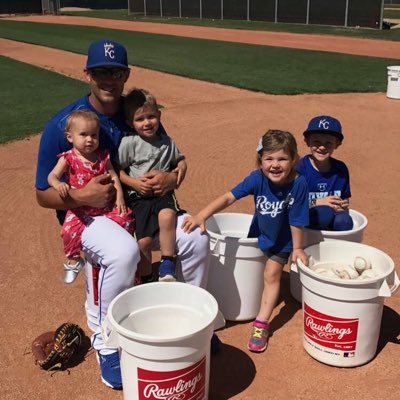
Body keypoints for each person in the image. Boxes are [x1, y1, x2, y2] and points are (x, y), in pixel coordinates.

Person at [35, 39, 211, 390]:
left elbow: (168, 156)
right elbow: (43, 194)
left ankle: (188, 316)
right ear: (87, 74)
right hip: (88, 216)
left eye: (115, 72)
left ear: (126, 74)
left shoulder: (137, 111)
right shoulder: (65, 125)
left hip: (141, 206)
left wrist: (172, 176)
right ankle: (107, 341)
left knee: (195, 238)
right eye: (101, 72)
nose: (108, 79)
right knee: (123, 253)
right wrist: (83, 195)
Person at [182, 129, 309, 353]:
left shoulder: (299, 184)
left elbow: (297, 220)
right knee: (254, 268)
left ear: (294, 160)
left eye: (282, 158)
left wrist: (297, 248)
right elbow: (229, 197)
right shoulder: (257, 178)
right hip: (259, 232)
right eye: (269, 158)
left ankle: (261, 323)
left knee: (271, 275)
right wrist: (202, 215)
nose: (275, 164)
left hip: (283, 240)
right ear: (260, 160)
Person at [47, 110, 133, 284]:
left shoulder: (103, 156)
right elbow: (52, 176)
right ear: (70, 137)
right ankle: (74, 259)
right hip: (80, 209)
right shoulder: (68, 157)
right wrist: (59, 184)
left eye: (94, 135)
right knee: (67, 230)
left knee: (126, 217)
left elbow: (114, 176)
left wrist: (120, 198)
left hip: (105, 207)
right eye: (83, 135)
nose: (89, 140)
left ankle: (125, 249)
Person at [116, 88, 187, 283]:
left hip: (162, 194)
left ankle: (167, 263)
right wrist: (134, 183)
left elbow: (179, 161)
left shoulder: (167, 142)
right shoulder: (129, 143)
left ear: (159, 116)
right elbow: (117, 169)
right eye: (140, 119)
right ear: (130, 123)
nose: (147, 122)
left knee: (168, 215)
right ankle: (146, 279)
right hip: (138, 197)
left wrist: (179, 168)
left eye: (151, 117)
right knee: (143, 242)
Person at [297, 115, 353, 231]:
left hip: (332, 218)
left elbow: (344, 198)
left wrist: (343, 205)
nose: (322, 147)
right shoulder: (299, 168)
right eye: (316, 141)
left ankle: (334, 246)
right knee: (323, 213)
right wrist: (318, 202)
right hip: (303, 221)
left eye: (328, 143)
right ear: (307, 141)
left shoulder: (340, 169)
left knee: (345, 221)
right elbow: (289, 203)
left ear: (337, 144)